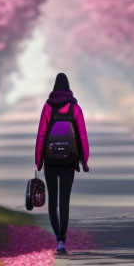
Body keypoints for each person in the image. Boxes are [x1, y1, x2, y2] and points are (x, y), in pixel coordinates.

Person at [35, 72, 90, 254]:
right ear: (68, 87)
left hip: (50, 161)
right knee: (64, 201)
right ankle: (62, 241)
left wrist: (38, 160)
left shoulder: (48, 107)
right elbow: (82, 135)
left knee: (52, 201)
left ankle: (57, 237)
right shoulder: (75, 108)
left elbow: (42, 134)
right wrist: (84, 160)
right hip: (69, 161)